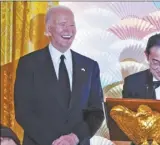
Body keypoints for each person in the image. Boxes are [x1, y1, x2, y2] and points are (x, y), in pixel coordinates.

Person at [14, 5, 104, 145]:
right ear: (48, 29)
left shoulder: (90, 66)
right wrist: (55, 142)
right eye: (62, 24)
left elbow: (96, 113)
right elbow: (23, 111)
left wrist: (74, 137)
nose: (69, 30)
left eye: (72, 25)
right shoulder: (29, 64)